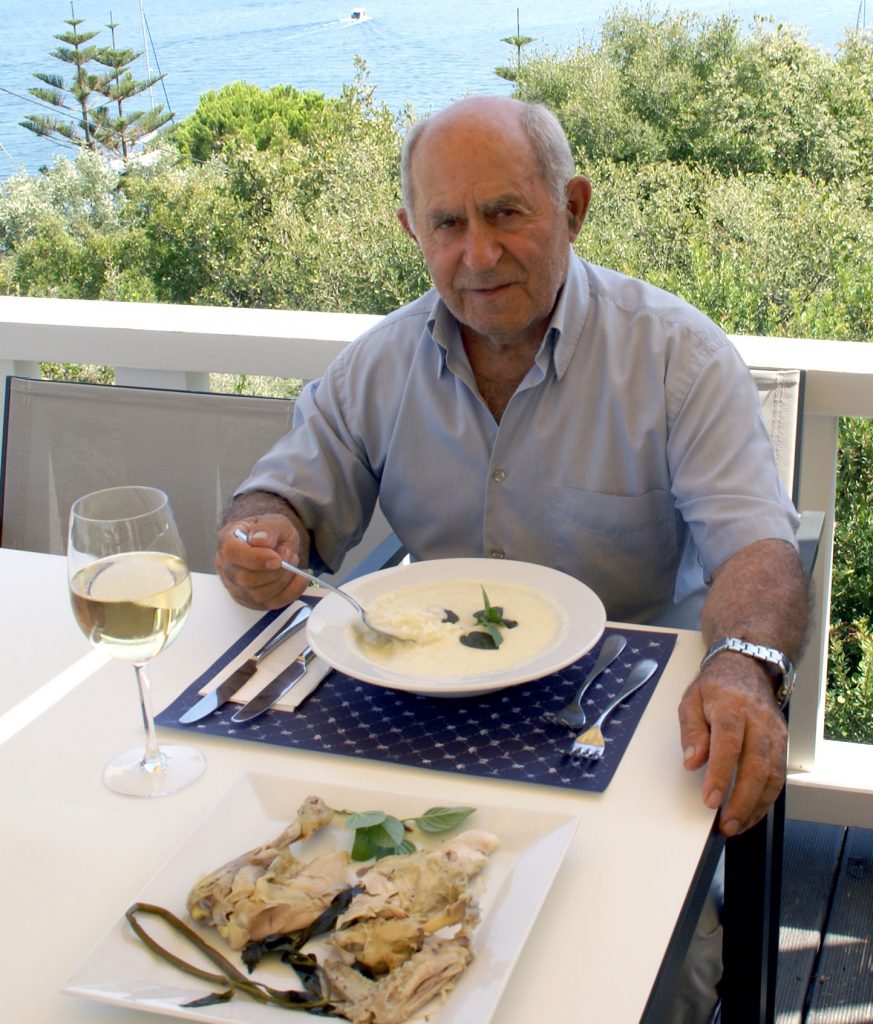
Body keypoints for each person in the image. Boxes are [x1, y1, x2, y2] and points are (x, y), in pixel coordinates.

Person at [216, 96, 808, 1020]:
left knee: (655, 981)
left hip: (624, 719)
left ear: (572, 208)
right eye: (447, 223)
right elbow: (280, 499)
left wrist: (740, 665)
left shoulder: (676, 356)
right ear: (411, 231)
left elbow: (757, 548)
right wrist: (264, 535)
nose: (478, 254)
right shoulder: (377, 365)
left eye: (505, 213)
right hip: (416, 720)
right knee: (324, 935)